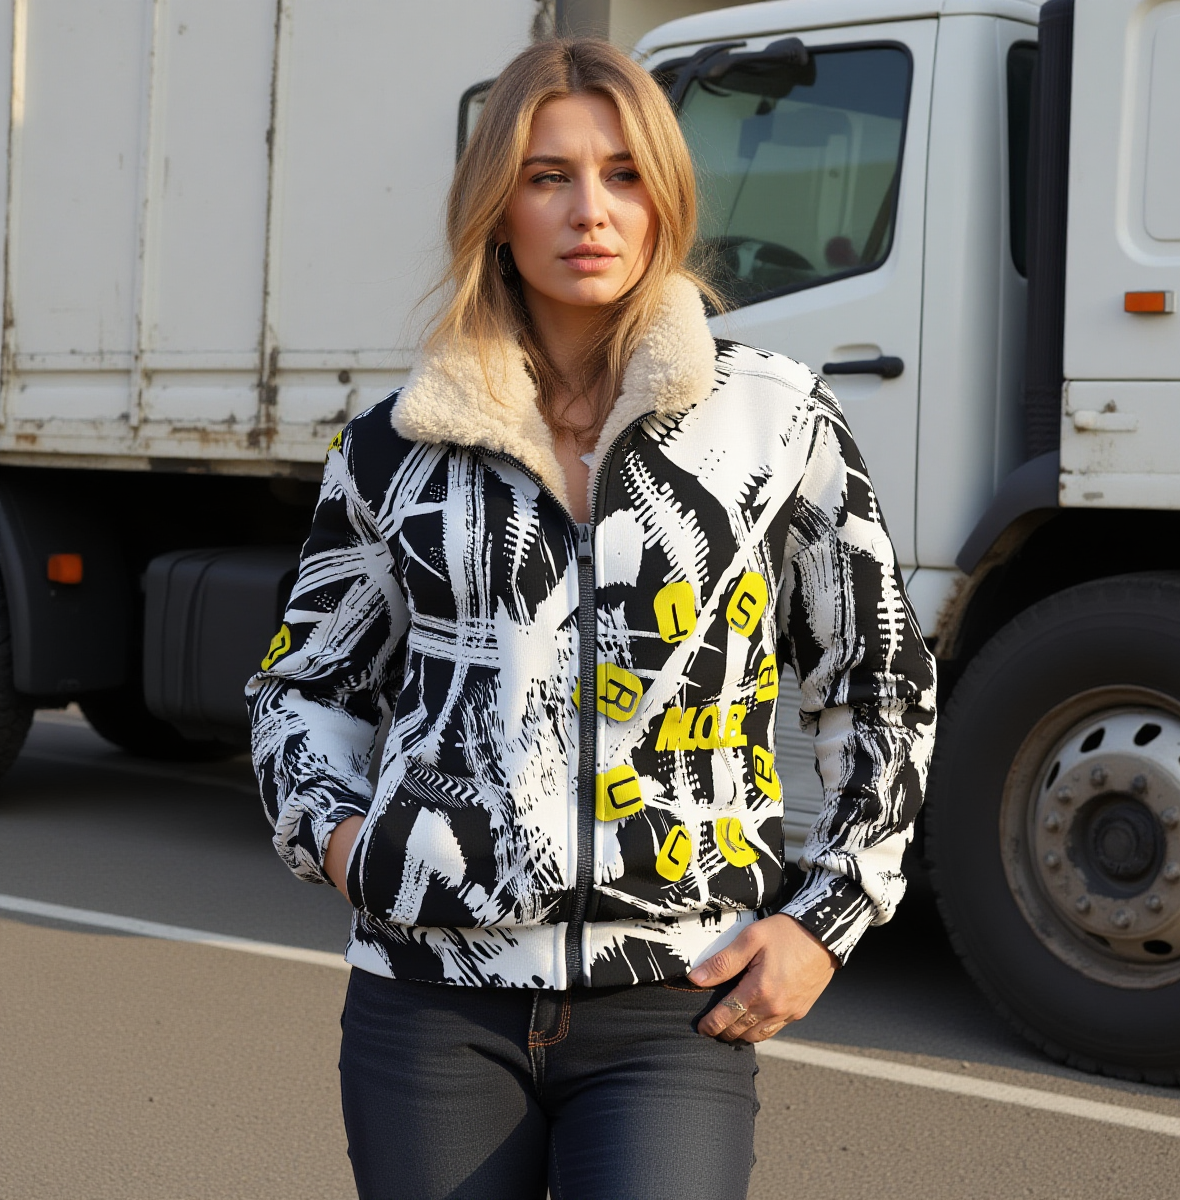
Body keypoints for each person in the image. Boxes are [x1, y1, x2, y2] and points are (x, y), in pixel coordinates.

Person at [247, 36, 936, 1200]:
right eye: (548, 176)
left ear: (665, 199)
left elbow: (878, 683)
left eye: (624, 174)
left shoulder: (776, 422)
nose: (590, 211)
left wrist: (827, 916)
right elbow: (303, 683)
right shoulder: (396, 447)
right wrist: (347, 843)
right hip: (431, 1002)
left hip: (673, 1000)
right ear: (496, 208)